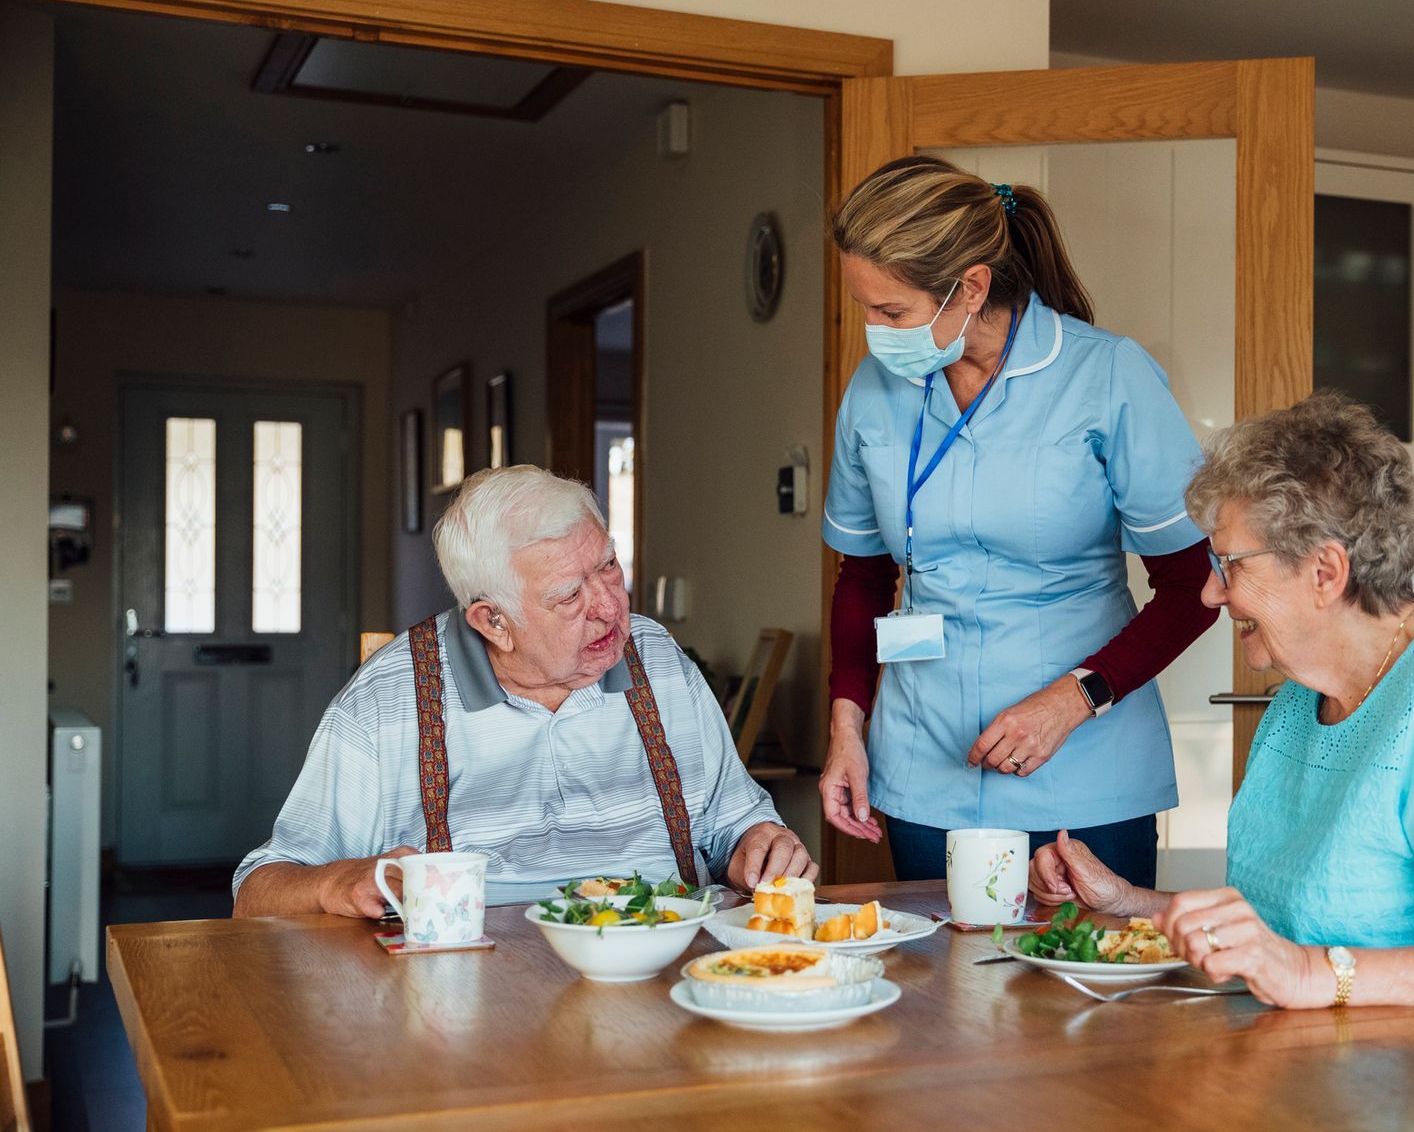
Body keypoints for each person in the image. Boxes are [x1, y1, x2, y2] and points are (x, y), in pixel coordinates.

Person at [1028, 392, 1414, 1045]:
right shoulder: (1296, 701)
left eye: (1229, 565)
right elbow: (1278, 938)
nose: (1209, 592)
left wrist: (1313, 976)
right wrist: (1126, 901)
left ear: (1325, 571)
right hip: (1312, 1075)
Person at [819, 156, 1218, 885]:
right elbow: (864, 574)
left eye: (894, 312)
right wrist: (848, 725)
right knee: (938, 988)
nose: (875, 333)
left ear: (970, 287)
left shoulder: (1106, 377)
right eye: (866, 308)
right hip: (921, 763)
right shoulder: (875, 390)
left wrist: (1077, 698)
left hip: (1084, 763)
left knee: (1081, 987)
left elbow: (1196, 585)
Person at [233, 465, 815, 917]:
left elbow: (733, 823)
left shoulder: (657, 660)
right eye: (568, 597)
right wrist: (337, 881)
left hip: (662, 967)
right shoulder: (392, 697)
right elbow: (259, 890)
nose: (610, 608)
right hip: (467, 991)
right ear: (492, 622)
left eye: (609, 565)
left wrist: (757, 845)